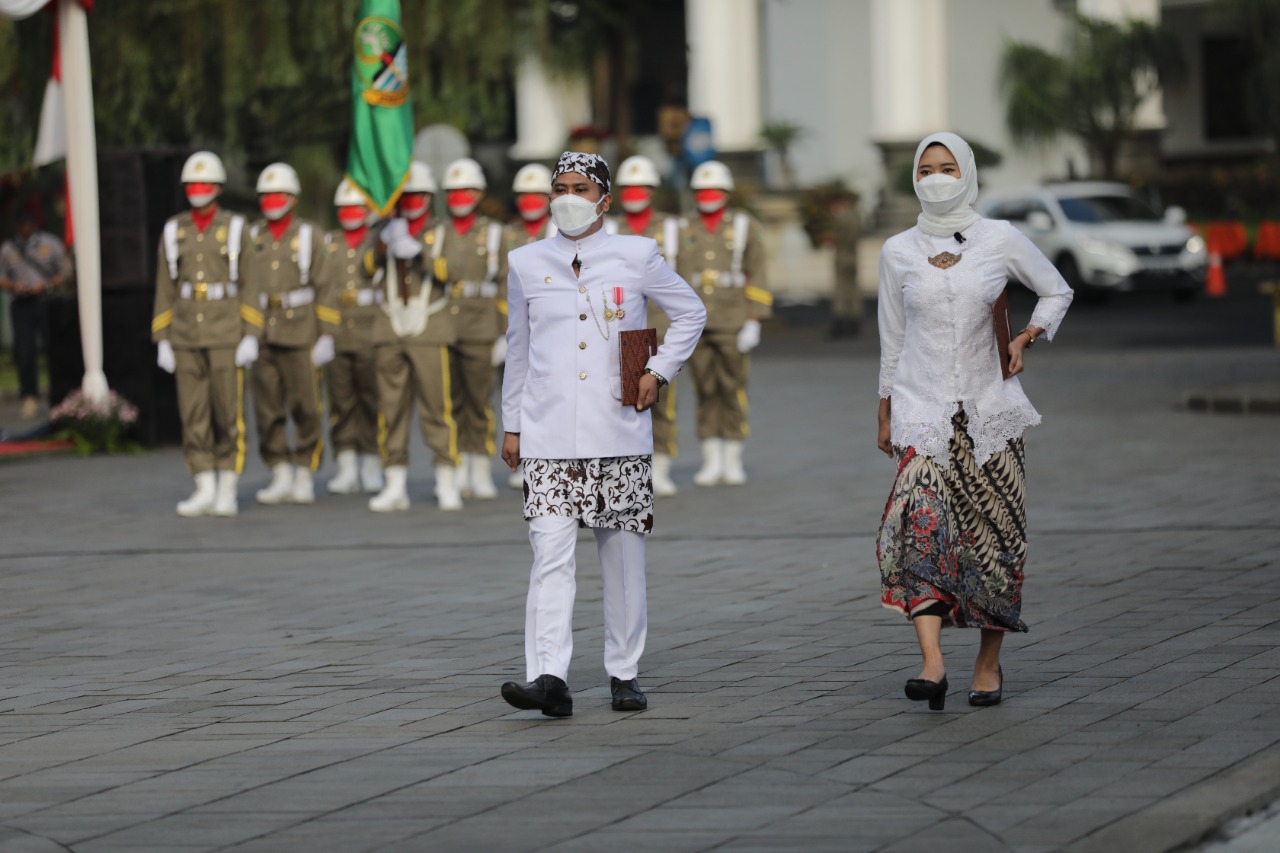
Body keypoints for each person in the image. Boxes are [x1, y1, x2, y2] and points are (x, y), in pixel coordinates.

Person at [499, 151, 706, 717]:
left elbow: (690, 311)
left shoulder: (636, 254)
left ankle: (624, 671)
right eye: (559, 188)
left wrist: (657, 370)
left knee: (621, 558)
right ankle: (548, 676)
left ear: (604, 199)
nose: (568, 198)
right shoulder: (525, 261)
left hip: (617, 430)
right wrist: (511, 424)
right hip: (547, 433)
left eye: (580, 188)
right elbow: (519, 347)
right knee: (549, 559)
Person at [876, 132, 1073, 710]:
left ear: (967, 174)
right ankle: (932, 663)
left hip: (991, 413)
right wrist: (884, 408)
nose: (936, 178)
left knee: (995, 540)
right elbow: (892, 337)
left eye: (947, 168)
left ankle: (988, 665)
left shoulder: (999, 239)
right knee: (919, 529)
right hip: (921, 410)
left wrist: (1027, 336)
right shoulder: (897, 250)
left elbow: (1056, 291)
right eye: (927, 169)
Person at [151, 150, 261, 517]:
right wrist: (162, 337)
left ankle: (228, 484)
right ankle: (203, 483)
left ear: (218, 188)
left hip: (226, 327)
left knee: (228, 411)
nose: (198, 190)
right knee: (192, 411)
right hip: (185, 330)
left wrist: (250, 332)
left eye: (205, 184)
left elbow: (250, 282)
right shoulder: (173, 230)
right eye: (192, 185)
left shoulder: (235, 228)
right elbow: (165, 285)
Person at [366, 162, 465, 513]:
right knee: (390, 409)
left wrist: (420, 253)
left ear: (428, 197)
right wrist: (384, 241)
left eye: (416, 196)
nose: (410, 202)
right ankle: (394, 480)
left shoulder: (441, 231)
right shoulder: (385, 228)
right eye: (404, 197)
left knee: (437, 407)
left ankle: (446, 477)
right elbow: (365, 268)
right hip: (389, 326)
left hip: (430, 326)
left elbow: (453, 270)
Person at [680, 159, 772, 487]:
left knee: (732, 387)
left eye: (713, 189)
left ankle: (733, 457)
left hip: (732, 319)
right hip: (694, 322)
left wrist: (754, 318)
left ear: (726, 193)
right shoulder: (683, 228)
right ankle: (710, 457)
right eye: (701, 190)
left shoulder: (745, 226)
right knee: (704, 387)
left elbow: (758, 270)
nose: (707, 195)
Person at [245, 163, 332, 506]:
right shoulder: (252, 237)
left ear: (293, 198)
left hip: (301, 329)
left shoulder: (310, 235)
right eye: (265, 195)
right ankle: (279, 469)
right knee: (267, 407)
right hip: (263, 328)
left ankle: (305, 469)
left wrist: (327, 334)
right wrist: (247, 331)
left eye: (278, 194)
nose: (271, 200)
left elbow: (325, 286)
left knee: (306, 404)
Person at [605, 154, 683, 496]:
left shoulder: (672, 228)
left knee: (662, 399)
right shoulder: (608, 228)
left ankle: (662, 463)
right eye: (629, 187)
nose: (635, 193)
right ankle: (622, 465)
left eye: (642, 187)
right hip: (619, 329)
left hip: (660, 327)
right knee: (617, 401)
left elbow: (686, 279)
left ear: (653, 190)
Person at [439, 157, 506, 501]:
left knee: (479, 400)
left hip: (481, 324)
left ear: (479, 193)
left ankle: (480, 464)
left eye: (465, 190)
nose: (459, 197)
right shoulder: (437, 234)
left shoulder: (495, 234)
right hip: (445, 324)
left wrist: (504, 331)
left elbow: (509, 285)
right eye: (453, 191)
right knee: (452, 401)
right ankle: (458, 462)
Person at [317, 178, 384, 496]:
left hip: (371, 326)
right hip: (338, 328)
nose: (349, 213)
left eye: (355, 207)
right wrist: (324, 332)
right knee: (341, 401)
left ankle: (372, 462)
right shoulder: (328, 242)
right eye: (344, 207)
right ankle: (345, 465)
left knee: (372, 399)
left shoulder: (377, 241)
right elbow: (323, 288)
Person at [501, 163, 557, 491]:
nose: (531, 201)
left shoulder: (560, 231)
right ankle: (528, 456)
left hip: (549, 329)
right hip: (519, 329)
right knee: (520, 394)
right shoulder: (508, 235)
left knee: (546, 396)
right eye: (524, 195)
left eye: (537, 194)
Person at [0, 206, 67, 420]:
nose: (24, 229)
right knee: (24, 352)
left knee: (55, 349)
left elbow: (64, 273)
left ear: (34, 226)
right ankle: (29, 396)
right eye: (21, 226)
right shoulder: (8, 249)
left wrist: (45, 285)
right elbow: (1, 277)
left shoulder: (50, 244)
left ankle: (61, 395)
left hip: (46, 302)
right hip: (21, 305)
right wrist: (13, 286)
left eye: (28, 225)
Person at [829, 192, 864, 338]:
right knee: (853, 288)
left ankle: (840, 319)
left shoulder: (841, 217)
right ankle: (855, 318)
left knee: (841, 289)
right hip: (853, 254)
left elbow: (837, 237)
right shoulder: (856, 216)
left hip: (842, 254)